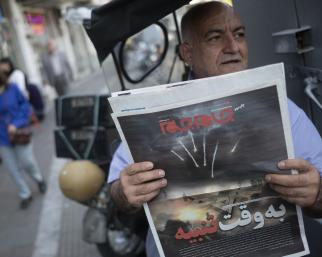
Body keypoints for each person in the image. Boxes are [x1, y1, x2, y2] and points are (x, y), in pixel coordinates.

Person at [107, 2, 322, 257]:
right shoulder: (153, 117)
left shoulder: (284, 110)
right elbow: (118, 195)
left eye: (240, 34)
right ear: (187, 53)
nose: (233, 47)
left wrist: (315, 193)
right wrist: (126, 190)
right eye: (215, 37)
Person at [0, 64, 46, 209]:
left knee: (27, 161)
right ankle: (25, 194)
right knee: (12, 169)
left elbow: (26, 107)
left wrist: (16, 123)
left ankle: (39, 178)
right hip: (1, 137)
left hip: (20, 132)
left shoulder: (12, 88)